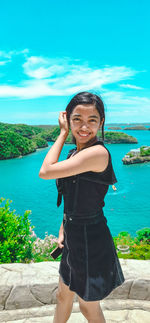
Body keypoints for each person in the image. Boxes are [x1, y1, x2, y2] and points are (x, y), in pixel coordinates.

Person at [39, 91, 125, 323]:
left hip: (91, 241)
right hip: (74, 236)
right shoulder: (75, 153)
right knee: (63, 295)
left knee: (88, 307)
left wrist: (63, 133)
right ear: (68, 117)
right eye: (77, 119)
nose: (84, 126)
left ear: (101, 122)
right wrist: (62, 230)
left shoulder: (97, 153)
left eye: (92, 120)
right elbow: (73, 198)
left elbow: (45, 171)